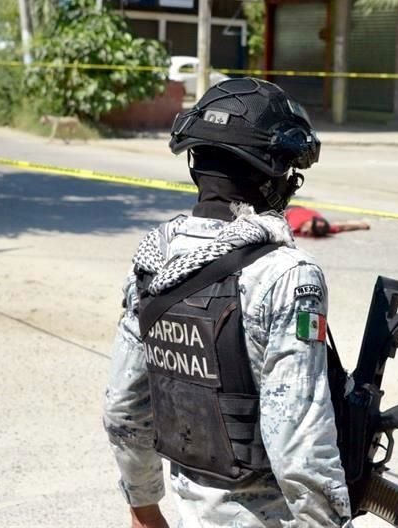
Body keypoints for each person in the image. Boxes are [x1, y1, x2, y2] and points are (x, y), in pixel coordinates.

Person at [103, 77, 352, 528]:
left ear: (198, 164)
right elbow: (299, 442)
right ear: (275, 173)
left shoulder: (154, 256)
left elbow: (124, 405)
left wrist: (142, 505)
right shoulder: (287, 275)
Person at [285, 205, 370, 238]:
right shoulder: (294, 225)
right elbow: (341, 226)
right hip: (290, 208)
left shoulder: (294, 226)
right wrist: (361, 225)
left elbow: (342, 226)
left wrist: (362, 225)